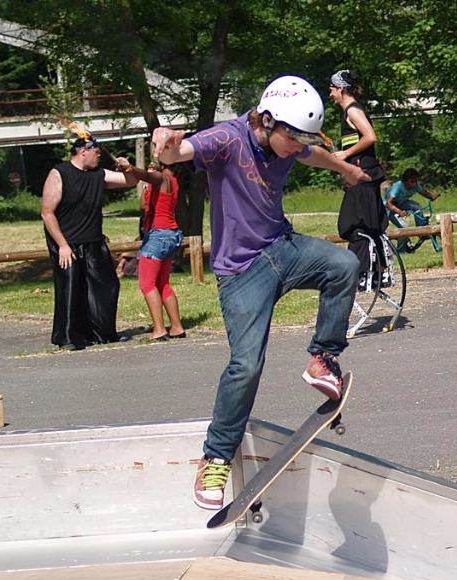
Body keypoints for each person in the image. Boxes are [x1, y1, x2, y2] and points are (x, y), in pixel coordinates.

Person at [151, 74, 368, 511]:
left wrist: (344, 168)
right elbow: (183, 152)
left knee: (344, 265)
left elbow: (312, 154)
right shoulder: (227, 139)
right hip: (241, 271)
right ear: (267, 121)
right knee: (246, 365)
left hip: (282, 247)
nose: (296, 147)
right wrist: (167, 146)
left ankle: (322, 358)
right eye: (293, 138)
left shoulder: (288, 138)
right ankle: (216, 456)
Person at [41, 133, 143, 351]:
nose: (98, 157)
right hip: (66, 242)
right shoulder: (59, 173)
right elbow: (47, 213)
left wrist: (127, 167)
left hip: (93, 240)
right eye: (96, 153)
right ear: (83, 152)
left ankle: (101, 333)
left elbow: (131, 181)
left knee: (107, 285)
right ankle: (68, 337)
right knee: (71, 288)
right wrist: (62, 246)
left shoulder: (99, 174)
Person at [329, 69, 388, 290]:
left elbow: (370, 136)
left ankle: (364, 272)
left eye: (332, 89)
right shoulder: (350, 111)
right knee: (365, 224)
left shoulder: (353, 110)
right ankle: (376, 271)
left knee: (355, 224)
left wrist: (345, 154)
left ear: (341, 89)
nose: (330, 93)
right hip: (361, 176)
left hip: (364, 176)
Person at [137, 162, 186, 340]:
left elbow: (147, 176)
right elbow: (143, 205)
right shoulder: (171, 181)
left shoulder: (163, 178)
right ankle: (177, 327)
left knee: (147, 283)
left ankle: (159, 329)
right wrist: (148, 182)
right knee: (162, 283)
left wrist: (132, 169)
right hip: (170, 234)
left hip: (157, 235)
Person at [384, 168, 441, 252]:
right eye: (412, 181)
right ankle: (401, 250)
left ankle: (421, 230)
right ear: (405, 181)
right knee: (404, 227)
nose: (414, 184)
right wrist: (399, 212)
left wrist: (432, 196)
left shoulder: (416, 186)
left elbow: (424, 192)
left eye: (416, 181)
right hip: (388, 208)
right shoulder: (398, 187)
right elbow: (388, 203)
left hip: (401, 203)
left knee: (416, 206)